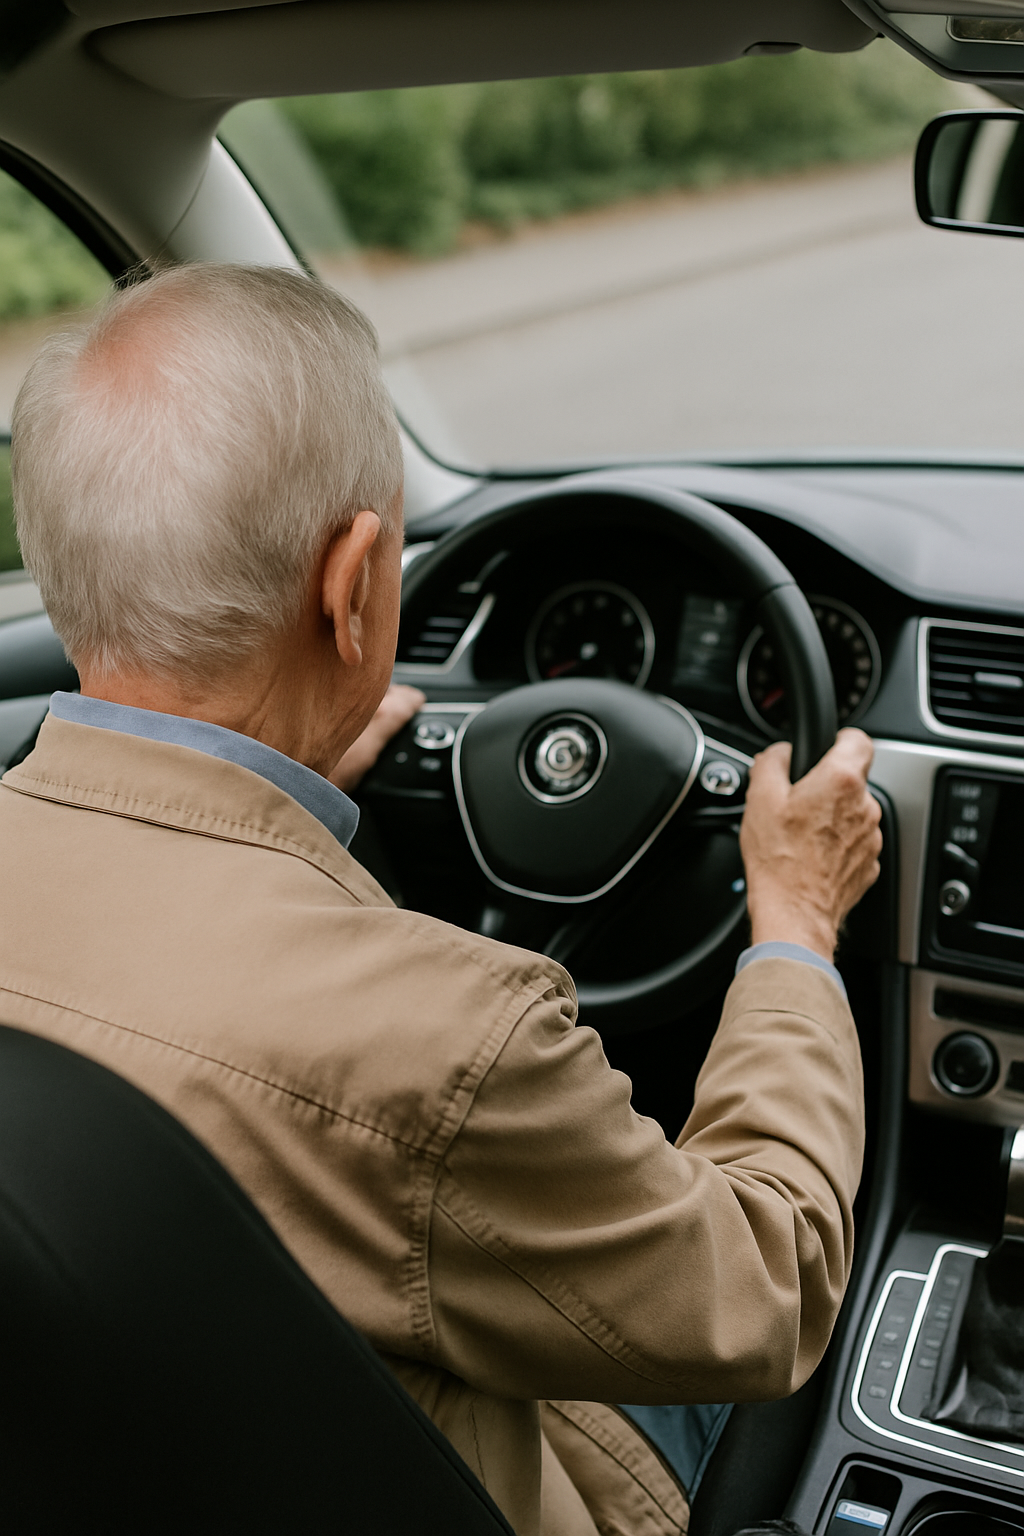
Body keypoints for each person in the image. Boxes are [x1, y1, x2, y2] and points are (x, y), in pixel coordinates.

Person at [0, 264, 880, 1536]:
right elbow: (764, 1287)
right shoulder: (447, 1033)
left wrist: (288, 771)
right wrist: (794, 929)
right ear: (352, 582)